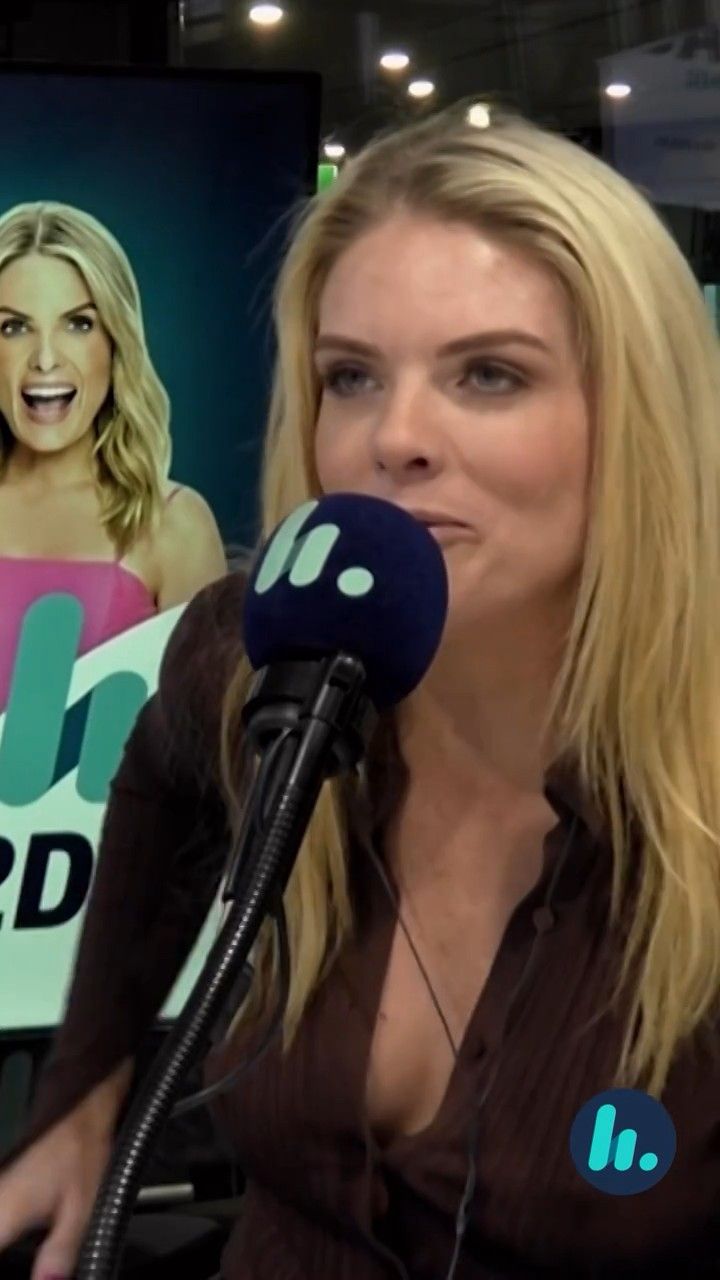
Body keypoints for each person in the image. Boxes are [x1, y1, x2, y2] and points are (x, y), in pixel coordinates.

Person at [1, 100, 720, 1280]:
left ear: (636, 415)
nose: (396, 437)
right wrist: (85, 1090)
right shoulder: (263, 658)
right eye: (351, 376)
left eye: (489, 374)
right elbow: (164, 769)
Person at [0, 200, 227, 709]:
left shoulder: (175, 525)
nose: (45, 359)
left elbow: (209, 742)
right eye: (13, 327)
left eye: (78, 324)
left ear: (115, 342)